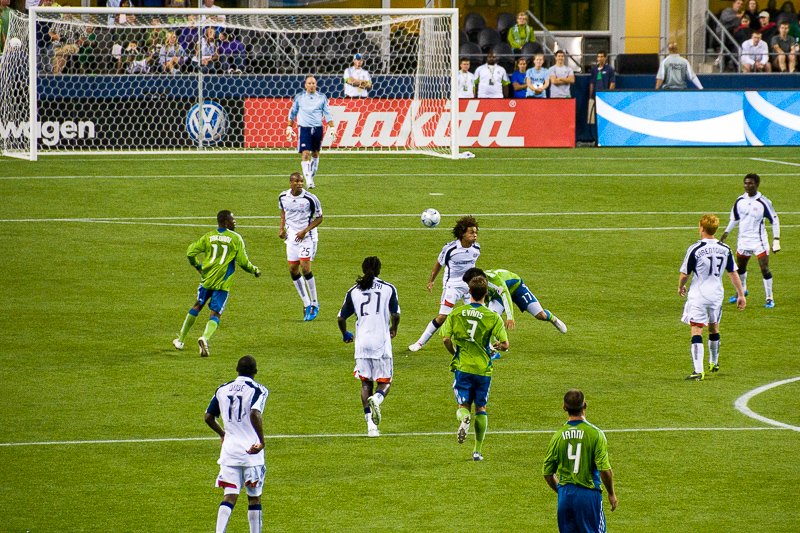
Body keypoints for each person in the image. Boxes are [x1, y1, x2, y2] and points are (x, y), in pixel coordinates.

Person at [173, 210, 261, 356]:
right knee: (215, 313)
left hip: (206, 278)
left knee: (197, 305)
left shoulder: (208, 236)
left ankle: (181, 340)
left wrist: (198, 266)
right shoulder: (235, 238)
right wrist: (255, 270)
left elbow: (190, 252)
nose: (235, 222)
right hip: (222, 282)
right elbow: (243, 262)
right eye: (233, 219)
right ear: (226, 222)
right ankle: (204, 338)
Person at [441, 275, 508, 461]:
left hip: (463, 366)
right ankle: (477, 451)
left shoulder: (456, 313)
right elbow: (505, 344)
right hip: (483, 369)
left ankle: (464, 418)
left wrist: (454, 351)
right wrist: (494, 346)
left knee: (463, 405)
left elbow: (445, 338)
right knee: (481, 408)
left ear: (469, 292)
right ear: (486, 293)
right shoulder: (493, 317)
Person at [337, 256, 401, 438]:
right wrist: (393, 328)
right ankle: (377, 399)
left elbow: (341, 318)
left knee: (366, 382)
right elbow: (395, 314)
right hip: (381, 341)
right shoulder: (389, 288)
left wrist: (345, 334)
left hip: (361, 343)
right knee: (385, 382)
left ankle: (371, 427)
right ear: (379, 270)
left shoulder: (354, 291)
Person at [205, 355, 268, 533]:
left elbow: (208, 417)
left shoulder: (222, 389)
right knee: (254, 498)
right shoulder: (259, 390)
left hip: (229, 452)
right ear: (255, 372)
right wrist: (261, 441)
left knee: (230, 495)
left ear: (237, 370)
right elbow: (255, 413)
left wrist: (222, 433)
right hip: (251, 453)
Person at [680, 214, 746, 380]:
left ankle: (698, 371)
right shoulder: (725, 249)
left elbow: (685, 273)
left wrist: (681, 286)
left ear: (701, 228)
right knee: (713, 326)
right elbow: (732, 272)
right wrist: (740, 294)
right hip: (716, 295)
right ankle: (714, 361)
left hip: (699, 294)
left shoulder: (695, 249)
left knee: (696, 329)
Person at [543, 389, 618, 532]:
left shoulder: (558, 437)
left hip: (565, 497)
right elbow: (604, 470)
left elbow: (547, 473)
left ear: (564, 407)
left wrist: (561, 490)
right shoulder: (595, 434)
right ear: (585, 405)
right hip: (588, 495)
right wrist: (611, 493)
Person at [408, 215, 480, 352]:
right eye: (471, 232)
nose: (475, 235)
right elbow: (438, 264)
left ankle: (485, 345)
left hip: (469, 286)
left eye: (476, 232)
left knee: (476, 314)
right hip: (452, 286)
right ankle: (420, 343)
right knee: (442, 317)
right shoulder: (450, 249)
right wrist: (431, 281)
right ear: (462, 234)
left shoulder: (476, 248)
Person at [462, 268, 567, 349]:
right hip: (498, 296)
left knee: (541, 315)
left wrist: (510, 316)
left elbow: (506, 295)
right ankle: (493, 345)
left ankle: (552, 318)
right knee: (491, 317)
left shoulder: (494, 281)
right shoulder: (480, 285)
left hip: (516, 288)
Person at [719, 173, 781, 308]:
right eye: (746, 183)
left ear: (757, 185)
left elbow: (774, 220)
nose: (748, 186)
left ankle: (769, 298)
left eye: (751, 183)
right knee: (740, 268)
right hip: (743, 240)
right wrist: (726, 233)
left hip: (759, 241)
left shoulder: (764, 202)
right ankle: (742, 291)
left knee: (764, 268)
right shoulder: (739, 200)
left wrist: (776, 240)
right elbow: (734, 219)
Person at [278, 172, 323, 321]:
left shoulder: (310, 198)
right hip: (292, 238)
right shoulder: (283, 197)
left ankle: (315, 303)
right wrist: (281, 229)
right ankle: (306, 303)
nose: (299, 184)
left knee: (305, 267)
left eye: (301, 181)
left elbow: (320, 218)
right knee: (292, 269)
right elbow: (283, 213)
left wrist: (305, 231)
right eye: (296, 181)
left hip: (307, 237)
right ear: (290, 182)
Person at [286, 75, 336, 189]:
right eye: (309, 83)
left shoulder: (322, 97)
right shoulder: (299, 97)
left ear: (316, 85)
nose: (311, 85)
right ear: (305, 85)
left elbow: (327, 113)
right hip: (304, 128)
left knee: (315, 154)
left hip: (318, 128)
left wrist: (332, 127)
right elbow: (292, 112)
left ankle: (311, 177)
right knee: (305, 153)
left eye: (313, 83)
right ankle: (308, 180)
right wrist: (289, 127)